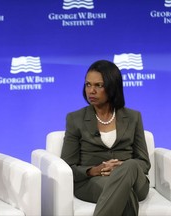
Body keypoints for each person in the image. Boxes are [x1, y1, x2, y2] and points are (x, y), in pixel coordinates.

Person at [61, 60, 150, 216]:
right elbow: (68, 166)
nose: (91, 91)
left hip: (135, 182)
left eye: (98, 86)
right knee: (125, 193)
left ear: (112, 87)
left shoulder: (133, 117)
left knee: (129, 166)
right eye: (88, 85)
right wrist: (93, 171)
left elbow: (143, 163)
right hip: (93, 182)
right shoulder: (75, 119)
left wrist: (121, 167)